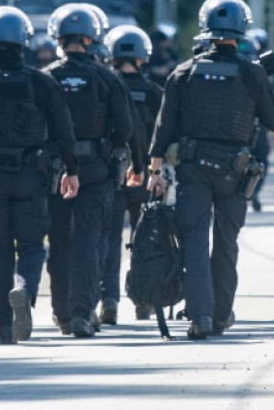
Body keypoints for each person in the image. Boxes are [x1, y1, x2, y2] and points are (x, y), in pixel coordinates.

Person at [148, 0, 274, 339]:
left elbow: (164, 128)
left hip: (193, 168)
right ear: (242, 31)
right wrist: (261, 85)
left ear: (205, 29)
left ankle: (201, 317)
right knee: (226, 241)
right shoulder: (252, 72)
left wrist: (155, 172)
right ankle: (222, 314)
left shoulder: (183, 72)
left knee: (194, 238)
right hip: (234, 172)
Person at [0, 5, 80, 344]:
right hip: (32, 172)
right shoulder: (42, 82)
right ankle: (24, 290)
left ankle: (4, 328)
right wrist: (71, 170)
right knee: (33, 244)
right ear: (24, 41)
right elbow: (64, 131)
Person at [45, 4, 134, 337]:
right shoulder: (106, 77)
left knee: (59, 240)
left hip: (55, 170)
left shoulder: (47, 76)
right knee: (89, 240)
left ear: (60, 37)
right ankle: (83, 312)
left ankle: (63, 314)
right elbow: (125, 129)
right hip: (95, 169)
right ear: (92, 38)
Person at [100, 24, 164, 323]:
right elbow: (163, 134)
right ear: (143, 56)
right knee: (145, 240)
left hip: (111, 173)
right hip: (147, 174)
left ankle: (109, 300)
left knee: (109, 238)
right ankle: (144, 301)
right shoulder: (153, 92)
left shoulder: (105, 86)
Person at [244, 28, 274, 212]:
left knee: (261, 159)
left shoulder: (260, 74)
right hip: (245, 129)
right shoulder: (256, 74)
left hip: (255, 126)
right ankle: (250, 192)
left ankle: (252, 192)